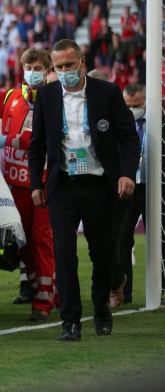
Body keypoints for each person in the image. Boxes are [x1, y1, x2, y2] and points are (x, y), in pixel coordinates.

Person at [28, 39, 139, 342]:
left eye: (69, 65)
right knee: (64, 252)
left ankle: (101, 305)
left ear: (82, 62)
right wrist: (36, 184)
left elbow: (129, 139)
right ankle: (71, 321)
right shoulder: (47, 95)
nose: (65, 71)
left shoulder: (108, 92)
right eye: (59, 66)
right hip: (63, 186)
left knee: (102, 254)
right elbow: (37, 146)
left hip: (100, 185)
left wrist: (127, 174)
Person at [0, 47, 57, 321]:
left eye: (38, 68)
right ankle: (41, 287)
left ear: (48, 70)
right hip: (15, 185)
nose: (32, 73)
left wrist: (10, 140)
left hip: (43, 182)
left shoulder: (55, 99)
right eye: (29, 68)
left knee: (41, 241)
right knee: (22, 243)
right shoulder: (12, 97)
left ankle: (44, 301)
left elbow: (44, 136)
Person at [112, 83, 147, 306]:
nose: (132, 110)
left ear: (146, 102)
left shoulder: (159, 122)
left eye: (137, 105)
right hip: (128, 186)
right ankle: (125, 291)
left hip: (153, 188)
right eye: (128, 105)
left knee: (159, 239)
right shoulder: (118, 123)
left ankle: (160, 287)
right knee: (123, 237)